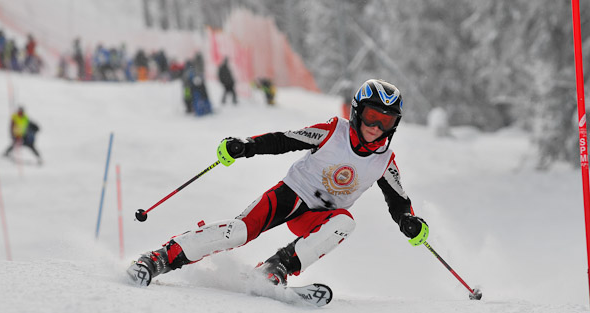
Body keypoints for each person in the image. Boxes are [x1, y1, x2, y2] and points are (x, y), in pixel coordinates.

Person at [127, 79, 428, 287]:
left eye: (385, 121)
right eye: (372, 116)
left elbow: (398, 201)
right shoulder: (333, 131)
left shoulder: (384, 161)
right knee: (239, 231)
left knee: (345, 223)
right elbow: (285, 140)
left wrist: (408, 221)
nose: (375, 127)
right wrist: (246, 146)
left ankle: (276, 268)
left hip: (318, 217)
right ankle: (160, 257)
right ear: (356, 112)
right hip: (290, 196)